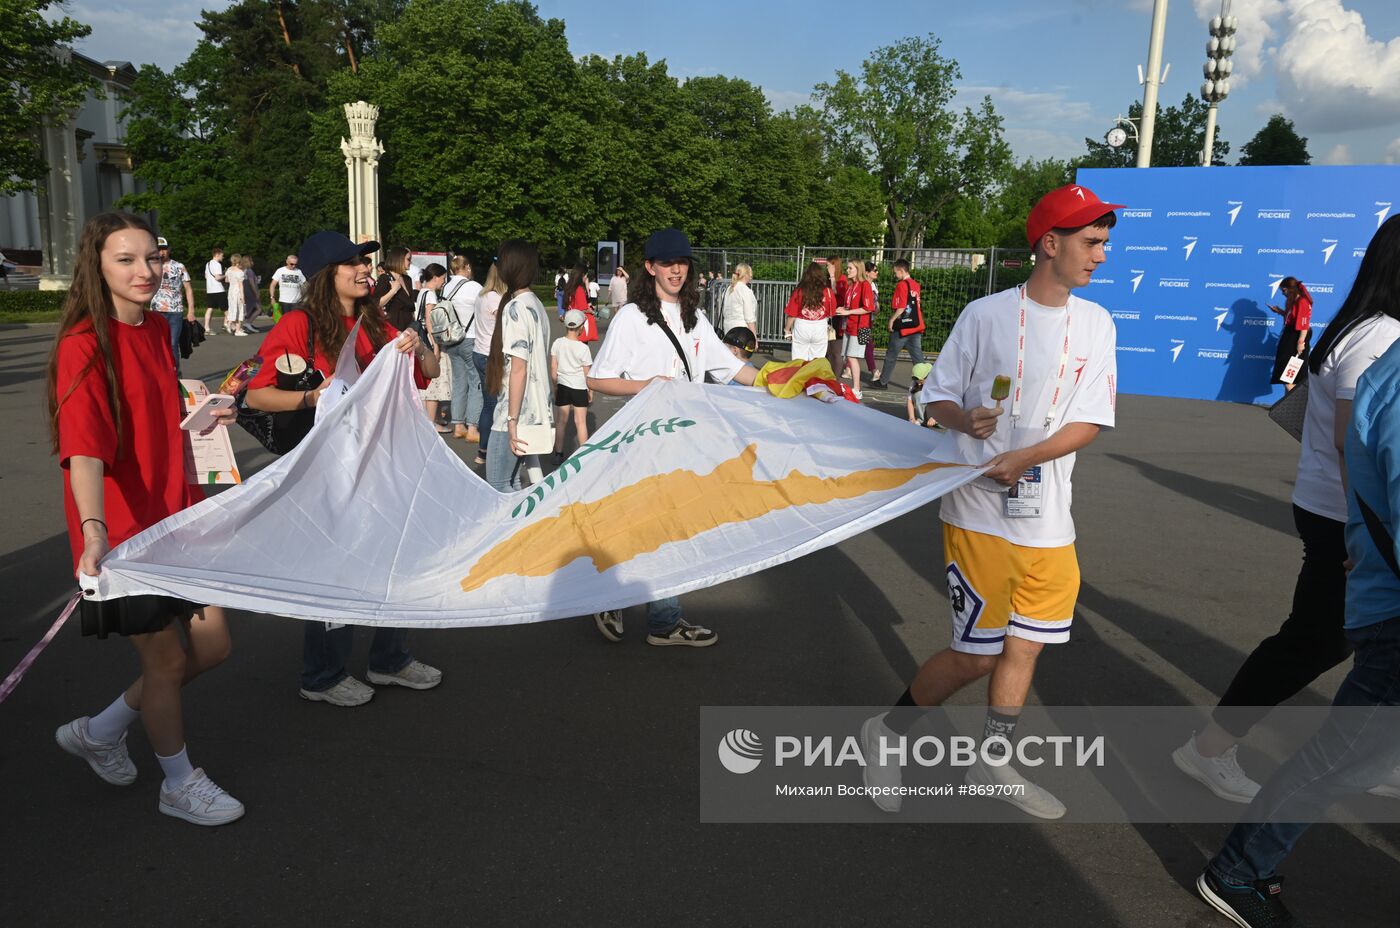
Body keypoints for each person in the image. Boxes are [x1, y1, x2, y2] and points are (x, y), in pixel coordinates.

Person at [858, 184, 1121, 819]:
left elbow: (1090, 420)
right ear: (1049, 244)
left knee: (1026, 646)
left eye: (1105, 244)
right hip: (978, 512)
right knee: (978, 653)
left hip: (1050, 518)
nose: (1101, 257)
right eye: (1091, 243)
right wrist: (964, 418)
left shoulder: (1097, 322)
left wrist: (1027, 459)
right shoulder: (986, 315)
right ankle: (885, 735)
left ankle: (991, 756)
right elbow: (940, 395)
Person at [1174, 215, 1400, 805]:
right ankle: (1207, 749)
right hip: (1349, 521)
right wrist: (1364, 537)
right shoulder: (1378, 336)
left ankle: (1372, 755)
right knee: (1316, 642)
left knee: (1352, 641)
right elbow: (1355, 444)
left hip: (1346, 517)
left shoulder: (1367, 327)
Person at [1196, 337, 1400, 927]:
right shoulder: (1379, 354)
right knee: (1341, 750)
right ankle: (1237, 868)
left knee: (1347, 742)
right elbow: (1351, 452)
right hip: (1386, 603)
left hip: (1371, 578)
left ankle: (1238, 861)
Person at [49, 212, 243, 826]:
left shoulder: (159, 328)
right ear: (97, 265)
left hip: (178, 516)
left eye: (152, 258)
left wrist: (209, 415)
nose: (145, 271)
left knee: (211, 648)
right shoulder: (84, 342)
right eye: (125, 260)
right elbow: (82, 450)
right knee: (164, 661)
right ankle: (179, 783)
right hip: (123, 532)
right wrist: (94, 531)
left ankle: (101, 730)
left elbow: (161, 411)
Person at [243, 231, 442, 707]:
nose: (364, 269)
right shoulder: (298, 325)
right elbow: (255, 393)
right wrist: (314, 395)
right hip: (328, 469)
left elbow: (430, 374)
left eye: (364, 261)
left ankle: (389, 659)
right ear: (324, 276)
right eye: (351, 263)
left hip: (384, 464)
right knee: (336, 567)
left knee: (394, 556)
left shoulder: (378, 323)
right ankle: (323, 674)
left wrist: (418, 345)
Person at [586, 227, 760, 647]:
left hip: (683, 443)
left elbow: (733, 370)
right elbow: (598, 378)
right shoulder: (631, 317)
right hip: (642, 440)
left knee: (666, 527)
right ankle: (612, 596)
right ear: (650, 267)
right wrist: (648, 385)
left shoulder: (694, 317)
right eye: (667, 263)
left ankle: (657, 617)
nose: (676, 269)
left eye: (681, 262)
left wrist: (786, 382)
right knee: (644, 521)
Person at [484, 240, 552, 492]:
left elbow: (519, 368)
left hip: (514, 412)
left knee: (498, 485)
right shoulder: (535, 304)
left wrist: (511, 421)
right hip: (534, 408)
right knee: (512, 482)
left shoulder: (515, 307)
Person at [442, 255, 483, 443]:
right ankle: (473, 426)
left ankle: (458, 425)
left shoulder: (446, 287)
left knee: (459, 381)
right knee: (476, 382)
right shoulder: (475, 287)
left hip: (451, 339)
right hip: (471, 337)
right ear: (466, 267)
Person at [472, 263, 507, 466]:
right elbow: (504, 324)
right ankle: (491, 451)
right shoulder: (496, 298)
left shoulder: (482, 295)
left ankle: (483, 451)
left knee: (488, 404)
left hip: (479, 350)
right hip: (491, 355)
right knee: (496, 405)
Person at [876, 259, 927, 388]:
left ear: (901, 270)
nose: (895, 275)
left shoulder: (901, 285)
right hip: (915, 324)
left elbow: (902, 306)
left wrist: (892, 319)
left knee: (891, 355)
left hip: (903, 326)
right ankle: (925, 383)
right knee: (918, 358)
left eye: (895, 272)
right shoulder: (915, 284)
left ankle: (883, 382)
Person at [415, 263, 452, 433]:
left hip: (420, 341)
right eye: (443, 278)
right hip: (429, 341)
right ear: (436, 277)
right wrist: (436, 345)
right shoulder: (430, 295)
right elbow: (430, 321)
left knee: (425, 381)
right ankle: (431, 422)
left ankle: (426, 420)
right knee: (435, 381)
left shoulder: (421, 292)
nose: (443, 282)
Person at [551, 309, 593, 458]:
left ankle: (558, 453)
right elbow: (587, 373)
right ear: (581, 327)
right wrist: (590, 390)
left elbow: (553, 370)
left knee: (561, 422)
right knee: (580, 422)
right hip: (580, 387)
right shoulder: (584, 348)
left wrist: (555, 387)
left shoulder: (557, 343)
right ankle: (584, 455)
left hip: (563, 385)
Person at [151, 237, 195, 374]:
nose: (161, 252)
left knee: (172, 344)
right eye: (158, 249)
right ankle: (159, 372)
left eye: (164, 249)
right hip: (156, 311)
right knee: (156, 344)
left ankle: (174, 373)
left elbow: (188, 288)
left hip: (175, 310)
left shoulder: (179, 266)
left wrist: (191, 311)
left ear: (169, 250)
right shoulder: (150, 266)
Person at [835, 259, 874, 399]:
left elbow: (868, 308)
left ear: (858, 269)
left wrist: (848, 312)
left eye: (850, 268)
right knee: (847, 357)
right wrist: (843, 309)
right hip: (849, 326)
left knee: (852, 357)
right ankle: (855, 387)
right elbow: (851, 307)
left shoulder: (865, 285)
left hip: (859, 327)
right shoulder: (852, 286)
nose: (848, 270)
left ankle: (857, 388)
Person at [783, 262, 837, 362]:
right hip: (820, 326)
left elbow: (792, 314)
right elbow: (831, 313)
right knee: (817, 361)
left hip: (802, 326)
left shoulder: (799, 291)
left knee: (798, 360)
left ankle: (800, 376)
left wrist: (787, 330)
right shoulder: (828, 291)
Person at [1269, 276, 1313, 392]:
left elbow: (1304, 325)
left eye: (1284, 290)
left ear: (1291, 289)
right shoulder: (1294, 301)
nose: (1283, 293)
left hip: (1297, 337)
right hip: (1290, 335)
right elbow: (1292, 318)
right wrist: (1279, 312)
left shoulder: (1302, 302)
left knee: (1290, 378)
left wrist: (1301, 342)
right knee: (1287, 377)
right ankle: (1288, 404)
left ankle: (1294, 406)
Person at [375, 246, 417, 332]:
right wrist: (393, 291)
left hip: (409, 327)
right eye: (408, 259)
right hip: (393, 328)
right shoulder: (385, 278)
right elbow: (376, 303)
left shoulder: (407, 279)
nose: (410, 262)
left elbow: (410, 305)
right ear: (399, 259)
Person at [721, 263, 758, 338]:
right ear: (747, 275)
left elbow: (724, 312)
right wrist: (754, 337)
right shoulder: (745, 290)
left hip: (727, 329)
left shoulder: (727, 289)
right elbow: (749, 317)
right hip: (742, 331)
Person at [566, 265, 598, 343]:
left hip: (570, 321)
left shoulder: (570, 287)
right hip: (579, 324)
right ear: (582, 275)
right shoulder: (579, 289)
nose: (586, 278)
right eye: (586, 276)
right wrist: (592, 312)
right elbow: (583, 308)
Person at [269, 254, 306, 322]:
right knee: (285, 321)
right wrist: (272, 298)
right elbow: (272, 285)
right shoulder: (280, 271)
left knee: (296, 321)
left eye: (295, 264)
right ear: (287, 262)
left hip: (297, 301)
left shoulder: (299, 271)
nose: (294, 266)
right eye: (292, 264)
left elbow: (305, 284)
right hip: (284, 301)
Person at [202, 247, 226, 335]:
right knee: (226, 309)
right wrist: (225, 275)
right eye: (222, 256)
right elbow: (218, 277)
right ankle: (230, 325)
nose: (223, 257)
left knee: (210, 308)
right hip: (218, 289)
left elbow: (206, 276)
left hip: (210, 290)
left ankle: (206, 327)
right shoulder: (217, 264)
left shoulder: (207, 264)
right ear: (217, 255)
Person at [223, 254, 247, 336]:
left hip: (231, 291)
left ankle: (229, 323)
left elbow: (226, 280)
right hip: (237, 292)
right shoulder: (240, 272)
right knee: (240, 309)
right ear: (239, 262)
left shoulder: (229, 270)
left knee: (232, 308)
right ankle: (237, 330)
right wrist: (242, 296)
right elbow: (241, 285)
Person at [864, 260, 880, 376]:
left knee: (865, 344)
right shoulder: (863, 285)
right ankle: (873, 370)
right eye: (874, 270)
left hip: (870, 319)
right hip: (863, 319)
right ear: (867, 273)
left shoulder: (874, 286)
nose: (877, 272)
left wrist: (877, 307)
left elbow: (876, 303)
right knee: (867, 344)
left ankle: (848, 368)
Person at [907, 361, 934, 426]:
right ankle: (922, 420)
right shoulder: (914, 382)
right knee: (918, 394)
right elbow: (910, 401)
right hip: (932, 409)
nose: (918, 383)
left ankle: (935, 420)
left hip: (944, 414)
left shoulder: (938, 383)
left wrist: (935, 418)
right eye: (917, 381)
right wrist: (911, 418)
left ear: (928, 376)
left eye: (921, 381)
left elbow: (943, 403)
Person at [240, 255, 262, 330]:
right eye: (251, 260)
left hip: (245, 293)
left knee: (250, 309)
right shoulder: (249, 271)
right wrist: (256, 293)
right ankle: (248, 323)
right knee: (259, 309)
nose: (253, 262)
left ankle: (247, 324)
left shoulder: (242, 271)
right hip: (251, 293)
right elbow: (252, 283)